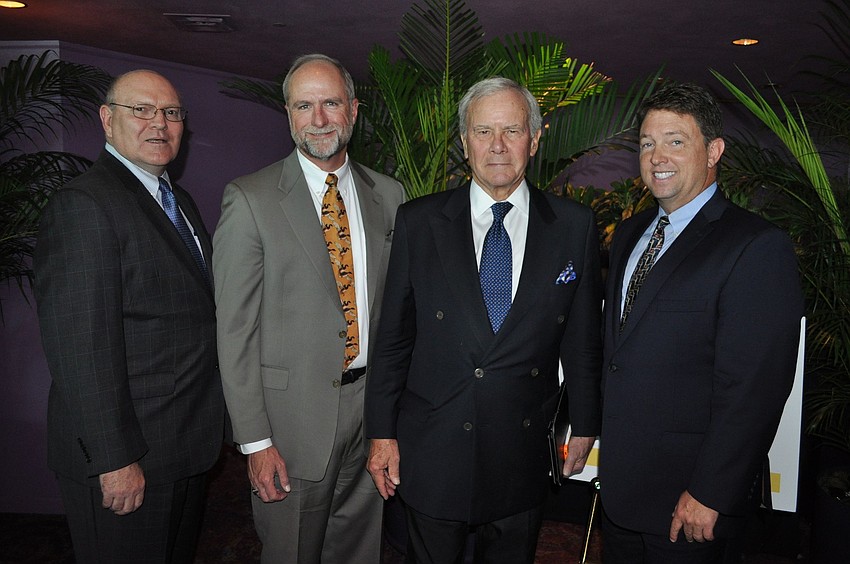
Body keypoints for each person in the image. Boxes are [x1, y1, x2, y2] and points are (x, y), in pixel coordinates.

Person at [365, 77, 603, 563]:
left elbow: (582, 339)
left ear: (534, 140)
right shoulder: (419, 221)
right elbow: (392, 338)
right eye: (482, 131)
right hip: (434, 442)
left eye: (512, 131)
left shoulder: (574, 227)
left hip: (520, 446)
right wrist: (381, 433)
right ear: (463, 142)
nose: (497, 146)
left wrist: (584, 424)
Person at [598, 83, 804, 563]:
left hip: (691, 505)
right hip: (622, 497)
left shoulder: (755, 247)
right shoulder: (629, 234)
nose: (656, 156)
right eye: (647, 143)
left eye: (675, 140)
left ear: (714, 151)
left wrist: (712, 491)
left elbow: (756, 387)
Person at [212, 53, 405, 563]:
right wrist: (255, 443)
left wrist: (390, 422)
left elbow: (396, 313)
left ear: (354, 111)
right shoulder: (249, 200)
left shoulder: (389, 196)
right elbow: (234, 334)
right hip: (289, 426)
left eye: (331, 103)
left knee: (359, 552)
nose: (318, 120)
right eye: (304, 106)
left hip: (370, 416)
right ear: (288, 114)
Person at [33, 70, 224, 563]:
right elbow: (81, 348)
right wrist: (115, 459)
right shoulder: (84, 206)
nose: (159, 123)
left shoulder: (175, 201)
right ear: (107, 119)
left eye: (171, 113)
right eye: (141, 109)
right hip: (127, 457)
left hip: (181, 445)